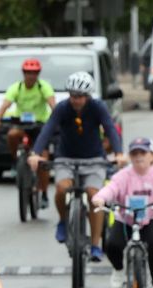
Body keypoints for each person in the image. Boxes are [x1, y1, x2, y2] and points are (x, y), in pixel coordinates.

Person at [30, 72, 124, 261]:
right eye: (73, 96)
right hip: (66, 157)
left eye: (80, 96)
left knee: (94, 196)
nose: (76, 100)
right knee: (62, 188)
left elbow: (110, 128)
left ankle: (96, 244)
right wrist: (35, 153)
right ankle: (63, 221)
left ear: (88, 96)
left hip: (94, 159)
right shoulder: (62, 108)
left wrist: (119, 153)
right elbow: (48, 129)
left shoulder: (98, 107)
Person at [92, 138, 153, 288]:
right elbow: (110, 189)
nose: (139, 157)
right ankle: (118, 269)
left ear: (152, 156)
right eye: (134, 153)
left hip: (149, 218)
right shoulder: (123, 175)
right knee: (112, 244)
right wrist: (100, 199)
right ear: (130, 157)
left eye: (143, 153)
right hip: (125, 219)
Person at [0, 58, 57, 203]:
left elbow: (52, 104)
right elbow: (5, 105)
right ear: (23, 73)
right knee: (12, 134)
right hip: (20, 124)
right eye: (28, 72)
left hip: (39, 125)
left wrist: (56, 118)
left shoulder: (43, 87)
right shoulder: (17, 87)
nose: (31, 76)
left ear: (38, 74)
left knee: (43, 159)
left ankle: (44, 192)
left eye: (34, 73)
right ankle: (16, 160)